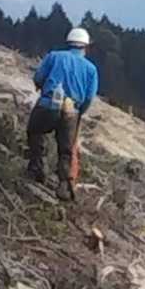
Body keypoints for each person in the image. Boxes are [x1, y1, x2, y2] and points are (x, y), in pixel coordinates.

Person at [27, 26, 99, 195]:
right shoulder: (91, 69)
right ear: (85, 47)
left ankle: (37, 167)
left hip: (48, 104)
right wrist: (80, 112)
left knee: (35, 131)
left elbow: (38, 77)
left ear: (69, 43)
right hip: (71, 111)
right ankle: (64, 185)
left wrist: (41, 87)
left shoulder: (54, 56)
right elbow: (89, 97)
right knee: (66, 149)